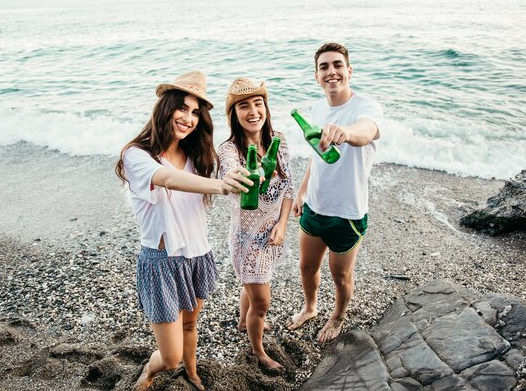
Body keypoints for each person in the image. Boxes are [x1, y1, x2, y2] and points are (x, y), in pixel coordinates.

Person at [115, 71, 253, 391]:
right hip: (162, 261)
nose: (189, 118)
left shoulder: (196, 154)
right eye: (183, 108)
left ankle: (192, 374)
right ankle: (149, 374)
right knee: (169, 357)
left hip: (197, 255)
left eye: (195, 113)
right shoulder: (137, 155)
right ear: (166, 108)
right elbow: (167, 178)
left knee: (191, 324)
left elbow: (233, 156)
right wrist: (221, 186)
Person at [286, 43, 383, 343]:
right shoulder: (317, 109)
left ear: (349, 70)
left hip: (348, 213)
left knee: (340, 276)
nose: (332, 72)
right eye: (325, 67)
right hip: (315, 206)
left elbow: (366, 131)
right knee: (306, 267)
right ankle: (310, 307)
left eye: (338, 65)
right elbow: (317, 156)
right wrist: (302, 192)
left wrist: (347, 133)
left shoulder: (366, 108)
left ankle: (338, 316)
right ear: (316, 76)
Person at [218, 78, 294, 370]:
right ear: (234, 114)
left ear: (266, 106)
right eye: (243, 106)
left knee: (253, 289)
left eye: (258, 103)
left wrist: (283, 225)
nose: (253, 111)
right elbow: (230, 173)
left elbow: (288, 187)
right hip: (247, 239)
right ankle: (259, 353)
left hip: (273, 233)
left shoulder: (279, 140)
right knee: (261, 302)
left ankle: (242, 321)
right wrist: (244, 178)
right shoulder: (230, 149)